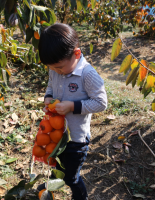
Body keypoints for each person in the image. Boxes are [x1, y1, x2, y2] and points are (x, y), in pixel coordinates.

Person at [37, 23, 107, 200]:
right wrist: (48, 97)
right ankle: (51, 184)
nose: (56, 72)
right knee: (57, 163)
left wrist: (72, 106)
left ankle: (80, 197)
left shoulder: (87, 75)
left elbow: (101, 103)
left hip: (76, 139)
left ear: (76, 54)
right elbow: (51, 85)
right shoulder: (56, 68)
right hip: (57, 134)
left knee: (72, 177)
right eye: (52, 68)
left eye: (59, 68)